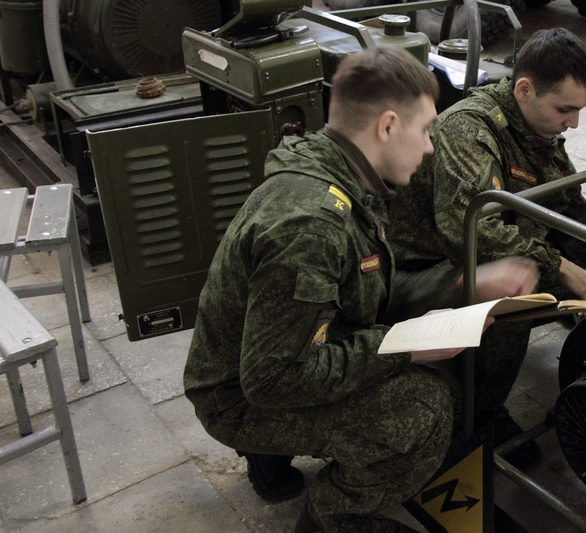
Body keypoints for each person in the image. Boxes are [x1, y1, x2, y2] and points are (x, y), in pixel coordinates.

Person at [183, 46, 538, 533]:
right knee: (424, 410)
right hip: (240, 398)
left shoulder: (341, 173)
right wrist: (404, 347)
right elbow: (272, 380)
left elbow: (361, 288)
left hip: (276, 354)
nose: (432, 146)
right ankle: (334, 518)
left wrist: (459, 284)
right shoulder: (310, 224)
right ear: (388, 126)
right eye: (426, 130)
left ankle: (282, 460)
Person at [387, 27, 586, 463]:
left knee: (569, 274)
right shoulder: (470, 130)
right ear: (525, 89)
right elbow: (476, 235)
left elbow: (567, 204)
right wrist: (556, 263)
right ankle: (479, 417)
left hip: (472, 255)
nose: (574, 123)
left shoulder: (533, 131)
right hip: (422, 266)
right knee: (516, 296)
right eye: (566, 109)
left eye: (580, 110)